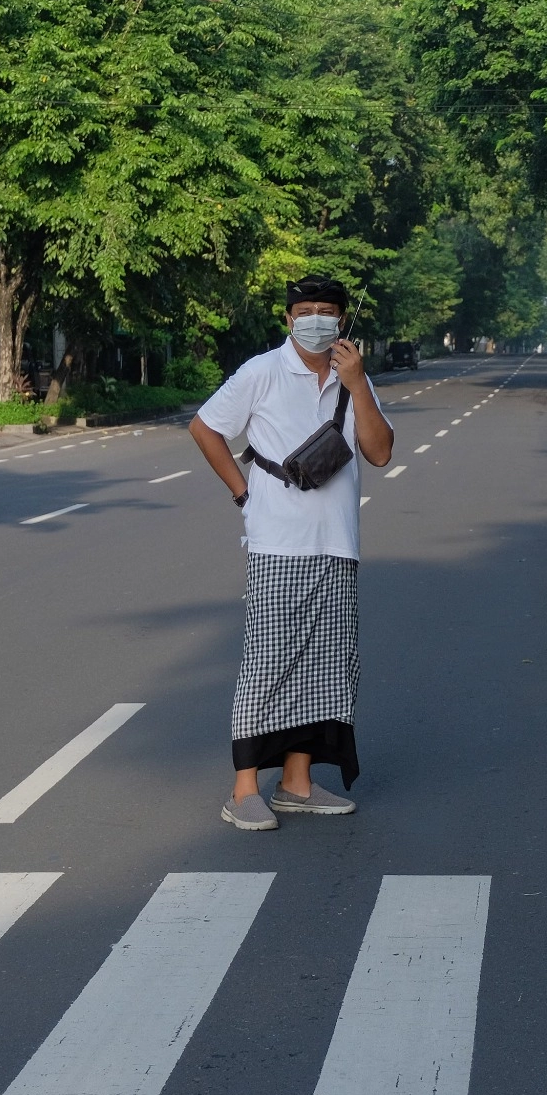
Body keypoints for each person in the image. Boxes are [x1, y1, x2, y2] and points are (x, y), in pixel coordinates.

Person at [190, 275, 395, 831]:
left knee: (325, 667)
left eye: (326, 310)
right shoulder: (262, 371)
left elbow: (378, 452)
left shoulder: (354, 378)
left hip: (338, 543)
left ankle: (298, 784)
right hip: (279, 543)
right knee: (270, 661)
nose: (315, 319)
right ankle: (244, 788)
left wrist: (357, 383)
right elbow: (205, 427)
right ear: (288, 320)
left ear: (342, 321)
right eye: (304, 310)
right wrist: (243, 492)